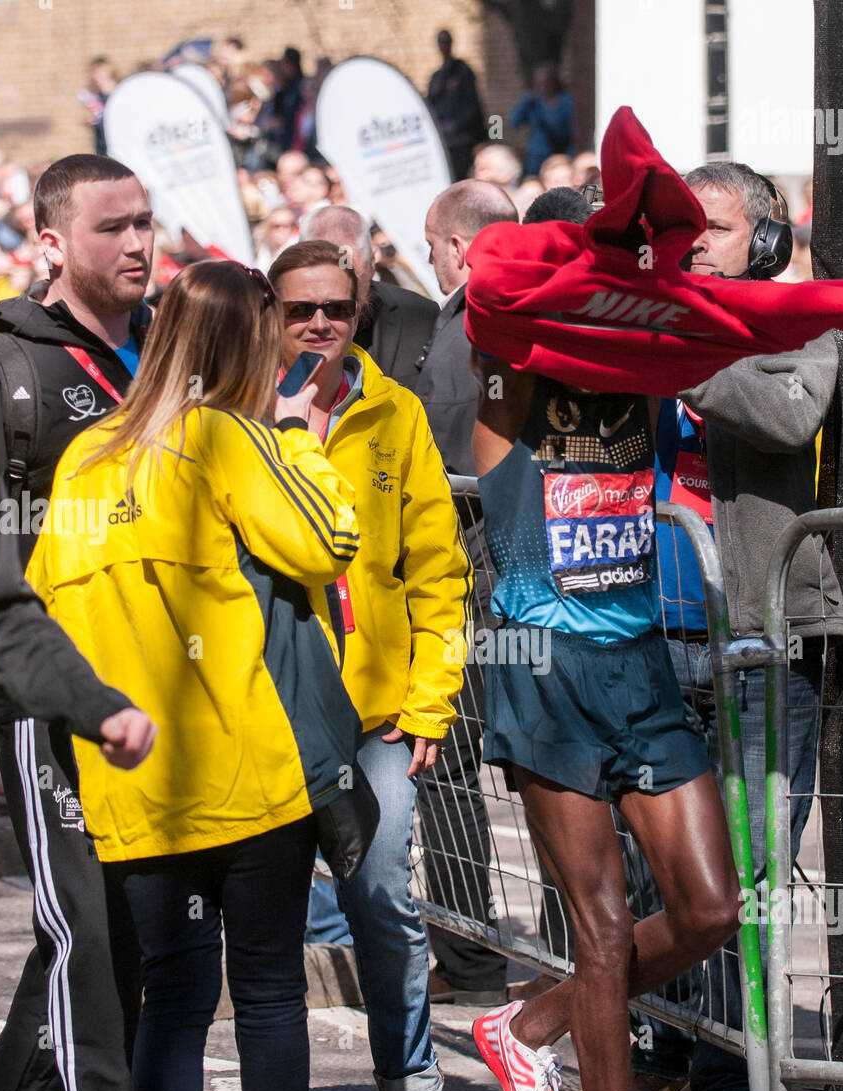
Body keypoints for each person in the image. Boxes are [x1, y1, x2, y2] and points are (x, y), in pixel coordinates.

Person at [27, 259, 362, 1091]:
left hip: (132, 774)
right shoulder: (225, 437)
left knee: (171, 996)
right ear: (246, 348)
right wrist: (300, 441)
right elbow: (326, 541)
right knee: (263, 992)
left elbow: (42, 599)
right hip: (243, 764)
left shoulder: (88, 456)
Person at [467, 197, 741, 1091]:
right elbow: (495, 296)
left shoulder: (643, 379)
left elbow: (705, 315)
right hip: (543, 670)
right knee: (602, 934)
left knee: (711, 908)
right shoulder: (506, 387)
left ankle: (526, 1025)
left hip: (637, 666)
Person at [0, 168, 155, 1091]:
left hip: (111, 702)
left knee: (117, 924)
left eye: (148, 221)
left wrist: (108, 701)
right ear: (53, 243)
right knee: (87, 930)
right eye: (114, 226)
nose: (139, 242)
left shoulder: (154, 364)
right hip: (33, 716)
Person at [628, 161, 843, 1091]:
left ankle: (731, 1074)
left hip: (762, 636)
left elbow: (788, 411)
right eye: (680, 229)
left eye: (710, 228)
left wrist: (680, 353)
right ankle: (667, 1044)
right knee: (662, 868)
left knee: (749, 867)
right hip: (648, 630)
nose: (693, 244)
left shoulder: (800, 319)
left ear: (762, 238)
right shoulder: (647, 320)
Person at [262, 238, 471, 1091]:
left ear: (358, 316)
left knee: (383, 901)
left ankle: (415, 1088)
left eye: (335, 310)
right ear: (271, 312)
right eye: (301, 308)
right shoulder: (235, 416)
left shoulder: (398, 414)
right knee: (260, 929)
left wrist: (429, 704)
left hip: (377, 718)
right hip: (266, 716)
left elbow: (436, 567)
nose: (318, 324)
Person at [415, 179, 517, 1005]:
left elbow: (447, 464)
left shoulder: (465, 329)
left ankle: (472, 953)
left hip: (475, 581)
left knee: (447, 768)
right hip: (520, 582)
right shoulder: (528, 312)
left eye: (429, 248)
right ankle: (550, 947)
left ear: (454, 247)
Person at [301, 204, 437, 392]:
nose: (339, 300)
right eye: (324, 282)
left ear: (372, 261)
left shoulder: (420, 314)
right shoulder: (274, 325)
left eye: (351, 284)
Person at [427, 30, 487, 181]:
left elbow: (473, 105)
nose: (444, 46)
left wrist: (456, 125)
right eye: (441, 43)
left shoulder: (463, 71)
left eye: (446, 42)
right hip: (445, 141)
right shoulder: (437, 77)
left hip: (463, 138)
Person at [508, 64, 575, 178]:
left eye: (546, 82)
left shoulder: (566, 101)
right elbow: (514, 121)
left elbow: (567, 130)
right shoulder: (532, 101)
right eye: (539, 83)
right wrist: (526, 102)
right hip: (536, 158)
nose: (543, 86)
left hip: (559, 155)